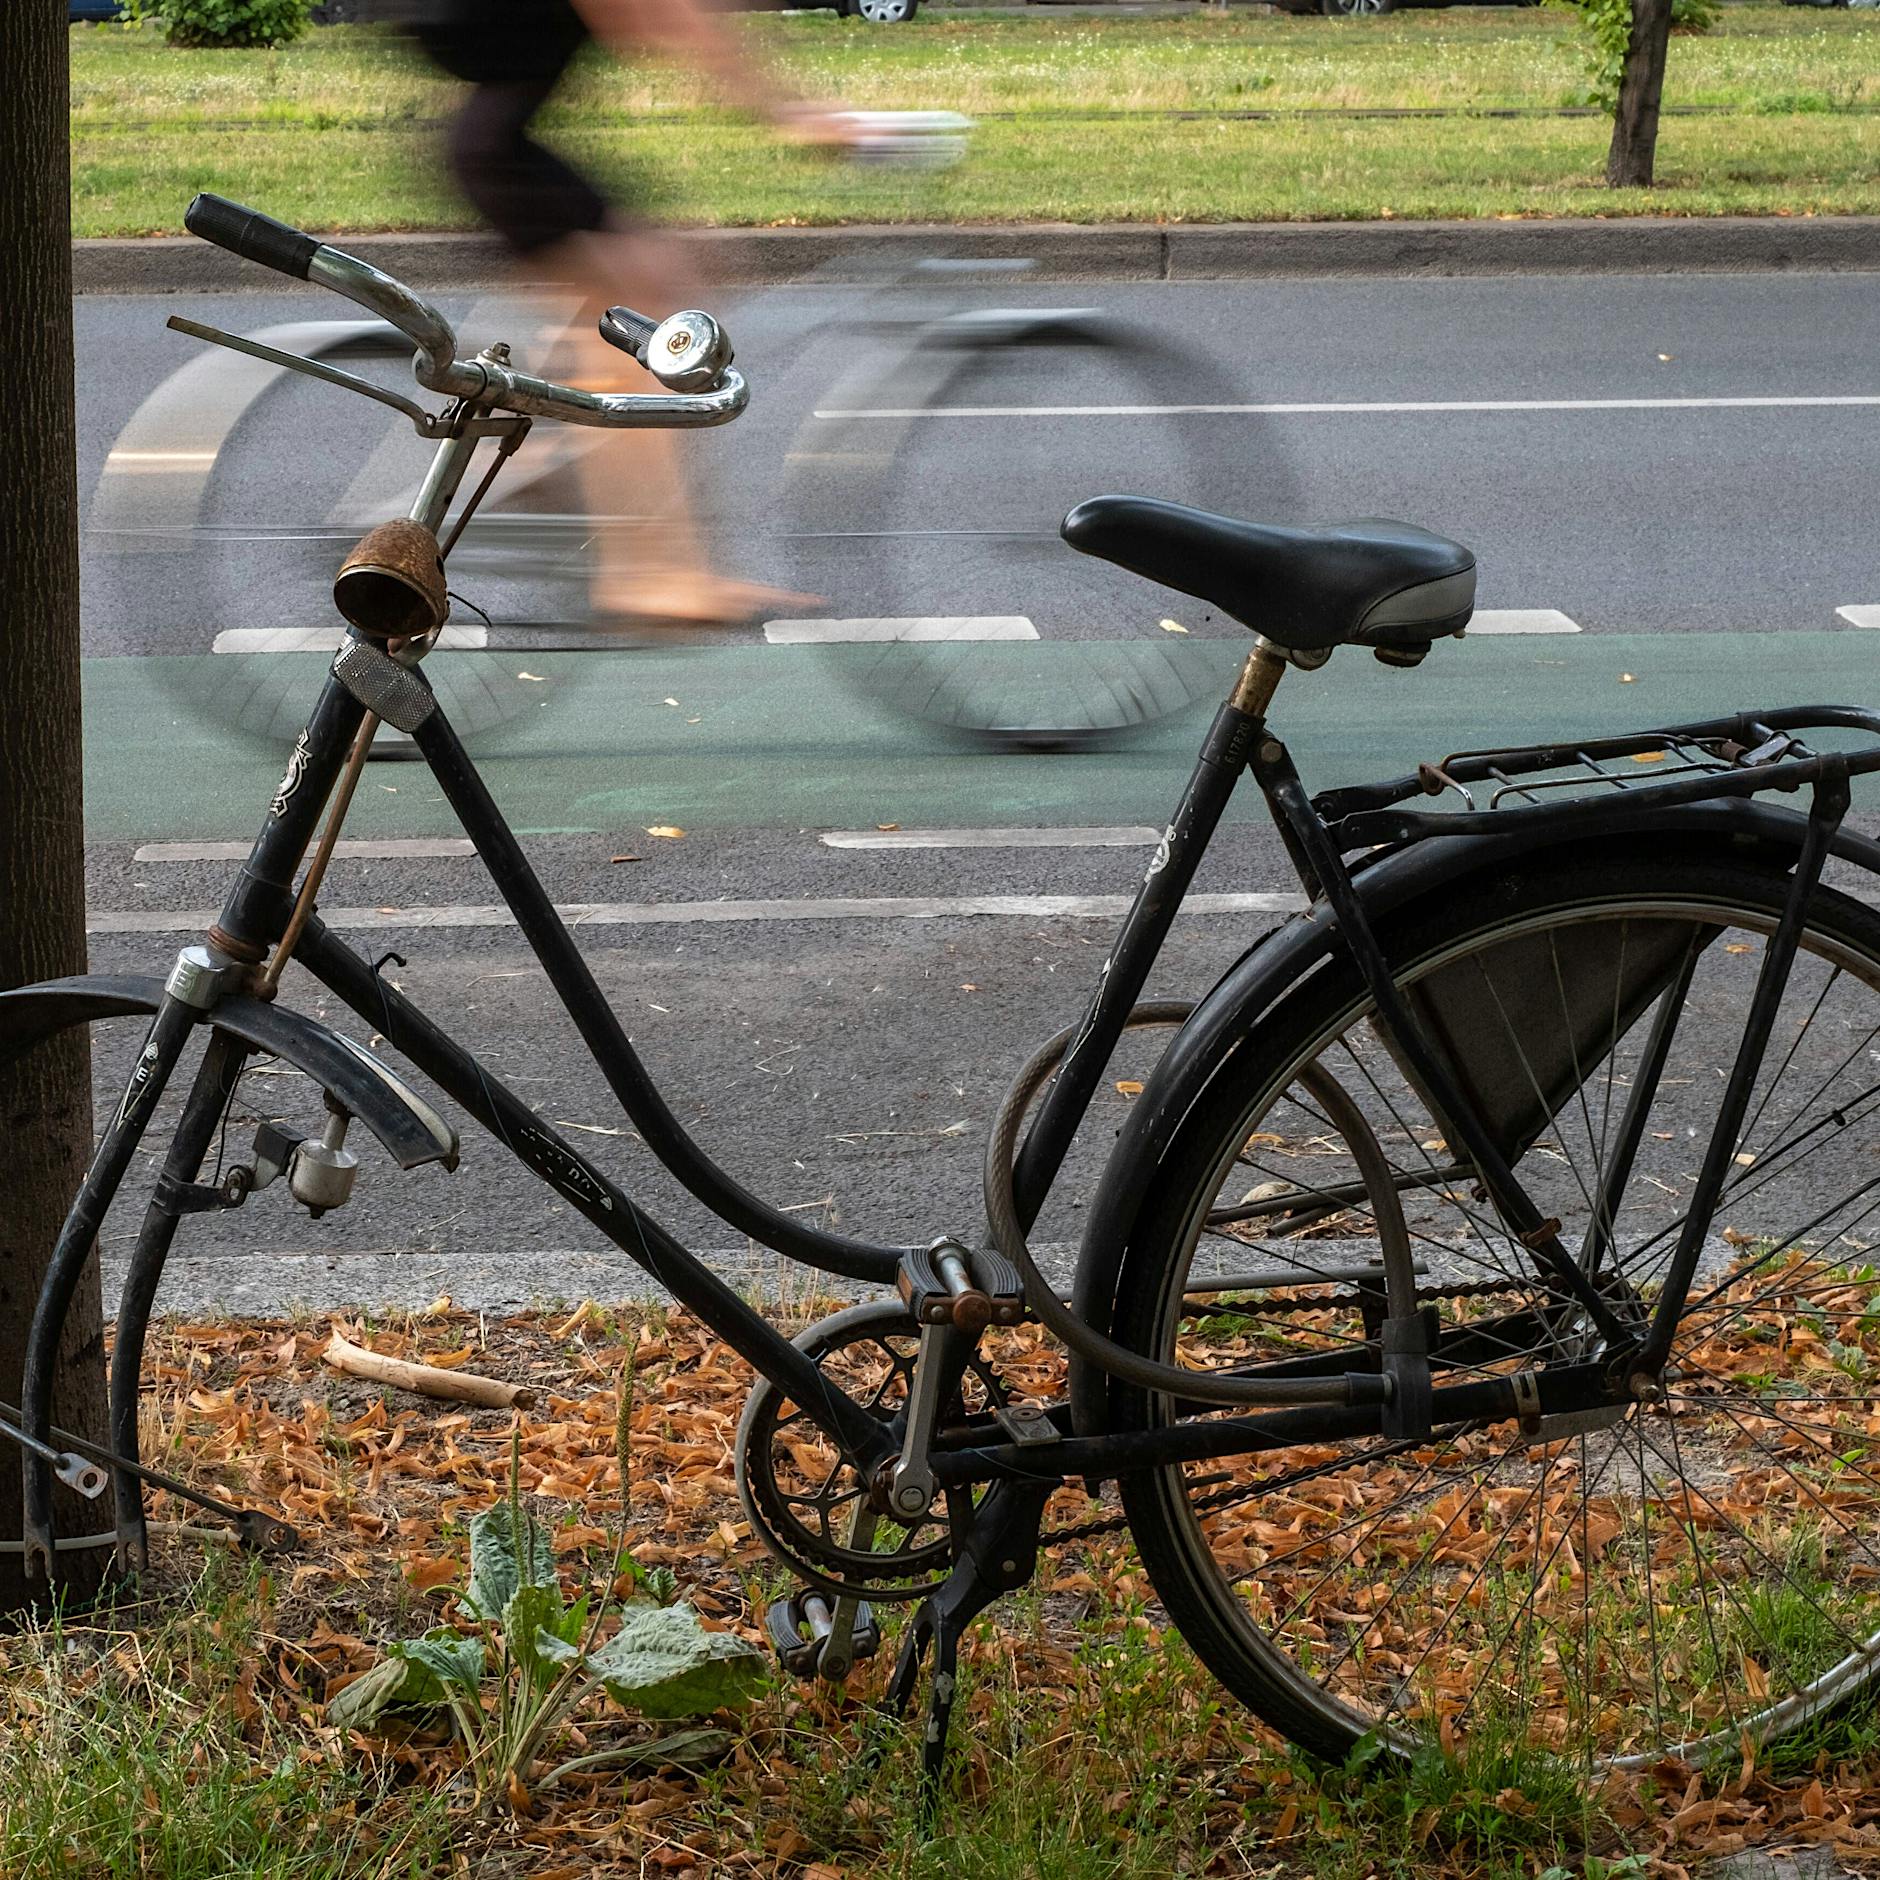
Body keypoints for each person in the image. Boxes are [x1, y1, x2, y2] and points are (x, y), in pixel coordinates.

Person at [419, 0, 850, 625]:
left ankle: (534, 453)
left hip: (499, 141)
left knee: (664, 283)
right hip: (496, 150)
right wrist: (796, 114)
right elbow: (658, 13)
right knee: (643, 319)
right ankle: (646, 573)